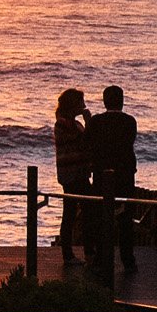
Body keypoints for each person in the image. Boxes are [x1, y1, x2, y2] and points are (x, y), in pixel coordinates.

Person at [82, 85, 138, 273]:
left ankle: (101, 258)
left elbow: (88, 142)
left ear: (105, 101)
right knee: (125, 219)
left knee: (101, 218)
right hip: (125, 174)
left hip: (102, 174)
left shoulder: (96, 121)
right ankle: (128, 259)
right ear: (122, 101)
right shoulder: (130, 121)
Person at [52, 88, 94, 265]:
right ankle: (70, 254)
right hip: (71, 174)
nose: (83, 106)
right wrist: (89, 122)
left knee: (83, 212)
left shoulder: (74, 124)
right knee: (72, 213)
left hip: (79, 173)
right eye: (80, 102)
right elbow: (83, 141)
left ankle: (86, 251)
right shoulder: (63, 124)